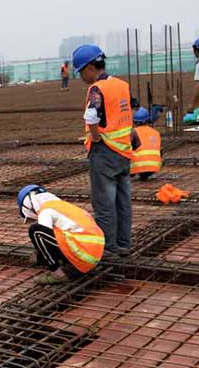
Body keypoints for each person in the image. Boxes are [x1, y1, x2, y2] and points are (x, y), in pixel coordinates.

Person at [72, 44, 138, 257]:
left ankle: (108, 248)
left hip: (105, 152)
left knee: (104, 203)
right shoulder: (121, 85)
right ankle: (123, 244)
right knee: (122, 201)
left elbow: (91, 117)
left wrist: (95, 137)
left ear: (90, 67)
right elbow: (129, 110)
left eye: (81, 72)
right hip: (124, 152)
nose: (81, 77)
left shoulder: (96, 89)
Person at [17, 184, 105, 284]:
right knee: (56, 233)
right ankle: (66, 263)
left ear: (28, 206)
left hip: (83, 254)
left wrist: (39, 256)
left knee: (36, 231)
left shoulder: (46, 211)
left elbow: (44, 238)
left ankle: (58, 274)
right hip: (94, 254)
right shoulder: (61, 206)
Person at [130, 107, 161, 181]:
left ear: (135, 121)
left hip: (139, 166)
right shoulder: (156, 132)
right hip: (155, 166)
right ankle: (145, 175)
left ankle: (132, 172)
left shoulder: (134, 132)